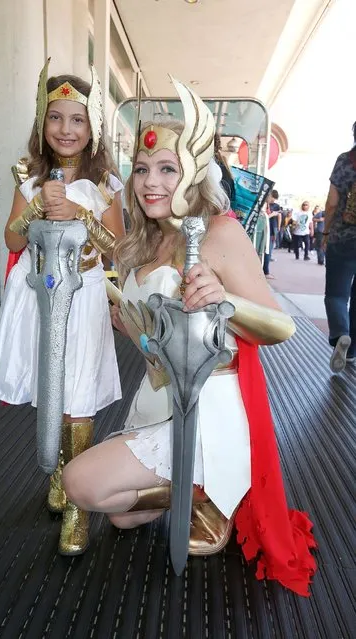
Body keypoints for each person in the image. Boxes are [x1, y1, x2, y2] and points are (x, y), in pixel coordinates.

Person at [62, 78, 317, 596]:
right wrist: (129, 321)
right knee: (121, 519)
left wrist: (225, 299)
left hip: (209, 408)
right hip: (157, 397)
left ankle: (211, 485)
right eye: (141, 169)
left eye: (167, 169)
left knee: (80, 483)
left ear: (194, 173)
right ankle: (199, 494)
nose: (149, 182)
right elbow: (153, 335)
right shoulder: (145, 239)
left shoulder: (219, 233)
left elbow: (281, 327)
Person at [0, 60, 125, 554]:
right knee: (51, 387)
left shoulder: (105, 181)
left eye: (78, 119)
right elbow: (10, 237)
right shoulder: (29, 176)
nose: (67, 129)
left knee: (78, 392)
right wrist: (39, 209)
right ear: (42, 123)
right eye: (56, 117)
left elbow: (117, 249)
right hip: (38, 299)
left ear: (93, 129)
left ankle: (77, 505)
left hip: (83, 297)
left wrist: (82, 214)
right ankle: (61, 475)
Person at [323, 120, 356, 373]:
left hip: (342, 238)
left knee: (336, 294)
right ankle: (353, 351)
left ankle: (340, 336)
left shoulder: (345, 160)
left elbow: (333, 203)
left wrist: (325, 232)